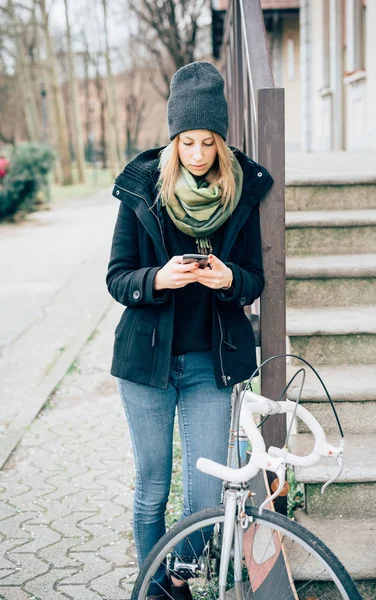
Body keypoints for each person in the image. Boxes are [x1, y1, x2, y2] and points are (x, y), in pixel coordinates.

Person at [106, 61, 273, 600]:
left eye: (207, 143)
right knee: (152, 488)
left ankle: (179, 573)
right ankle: (155, 587)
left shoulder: (239, 195)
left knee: (203, 497)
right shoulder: (143, 191)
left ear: (220, 142)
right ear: (173, 139)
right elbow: (117, 277)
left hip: (212, 363)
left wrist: (229, 280)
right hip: (146, 364)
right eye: (187, 142)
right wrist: (158, 279)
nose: (198, 155)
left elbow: (255, 279)